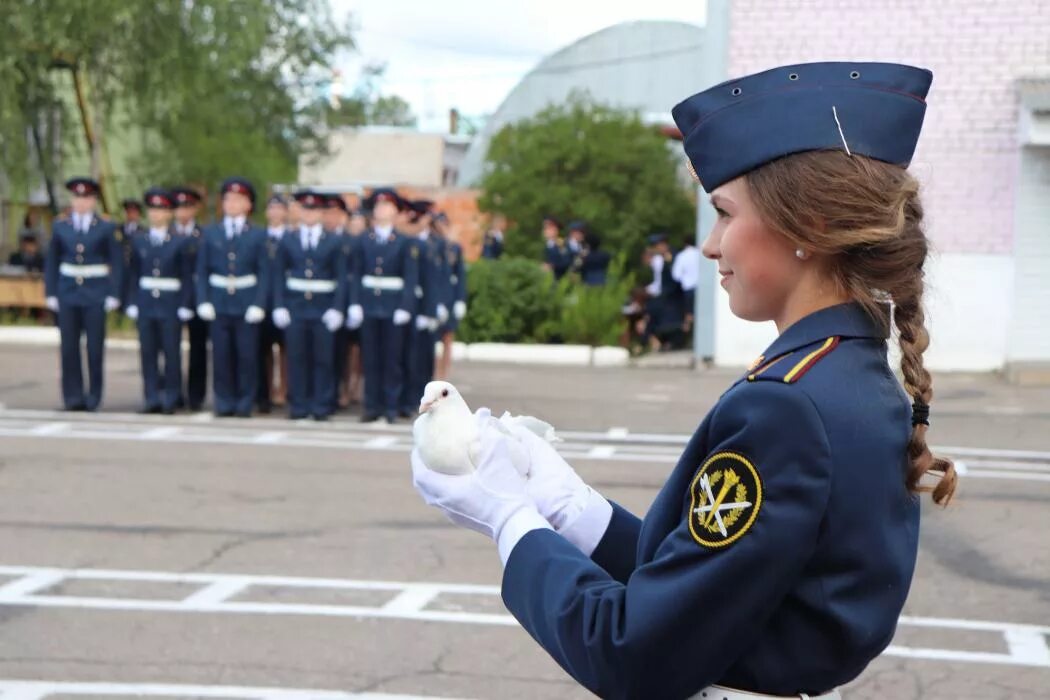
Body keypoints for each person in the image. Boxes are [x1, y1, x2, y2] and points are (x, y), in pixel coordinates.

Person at [411, 61, 958, 699]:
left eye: (724, 214)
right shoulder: (844, 373)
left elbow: (635, 654)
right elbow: (703, 587)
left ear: (804, 227)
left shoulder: (788, 407)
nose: (711, 244)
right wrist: (571, 509)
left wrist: (510, 521)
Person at [44, 177, 123, 411]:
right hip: (68, 291)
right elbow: (52, 261)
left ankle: (93, 396)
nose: (81, 202)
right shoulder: (61, 226)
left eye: (86, 198)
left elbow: (116, 262)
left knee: (94, 347)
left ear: (94, 201)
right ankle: (72, 396)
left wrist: (114, 292)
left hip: (95, 292)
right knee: (68, 346)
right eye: (77, 197)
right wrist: (51, 291)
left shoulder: (106, 227)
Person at [195, 176, 269, 418]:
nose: (232, 204)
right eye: (228, 199)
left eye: (238, 199)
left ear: (248, 205)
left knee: (246, 355)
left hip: (246, 300)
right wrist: (203, 300)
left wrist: (259, 303)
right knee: (222, 355)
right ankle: (223, 401)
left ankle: (244, 401)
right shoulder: (211, 232)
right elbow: (203, 270)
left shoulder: (258, 235)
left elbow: (264, 272)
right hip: (219, 300)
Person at [272, 190, 346, 421]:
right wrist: (279, 305)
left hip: (323, 308)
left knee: (323, 358)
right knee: (297, 357)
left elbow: (341, 277)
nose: (309, 213)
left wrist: (337, 308)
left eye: (314, 209)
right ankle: (299, 405)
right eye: (305, 209)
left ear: (321, 213)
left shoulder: (333, 240)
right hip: (296, 306)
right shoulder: (288, 239)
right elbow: (278, 275)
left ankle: (321, 405)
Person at [348, 187, 418, 423]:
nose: (382, 210)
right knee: (370, 358)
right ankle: (372, 406)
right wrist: (355, 303)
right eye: (379, 206)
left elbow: (410, 278)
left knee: (392, 359)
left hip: (392, 305)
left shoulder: (404, 242)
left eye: (388, 206)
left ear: (396, 212)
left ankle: (390, 406)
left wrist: (405, 307)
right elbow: (356, 274)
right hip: (369, 304)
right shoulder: (363, 240)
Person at [124, 188, 194, 414]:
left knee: (171, 352)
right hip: (146, 301)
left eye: (161, 210)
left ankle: (171, 397)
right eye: (152, 209)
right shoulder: (139, 240)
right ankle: (151, 396)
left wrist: (185, 304)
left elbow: (186, 276)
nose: (156, 214)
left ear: (170, 213)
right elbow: (133, 273)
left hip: (170, 302)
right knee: (148, 352)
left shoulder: (180, 241)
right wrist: (132, 301)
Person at [172, 186, 209, 411]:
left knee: (198, 348)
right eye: (178, 206)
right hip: (170, 297)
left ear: (195, 209)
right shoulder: (165, 232)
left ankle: (196, 395)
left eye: (187, 206)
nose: (182, 211)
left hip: (196, 298)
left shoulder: (203, 235)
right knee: (168, 348)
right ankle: (172, 391)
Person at [257, 194, 289, 414]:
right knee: (263, 351)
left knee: (287, 351)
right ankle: (265, 394)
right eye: (271, 208)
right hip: (261, 302)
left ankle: (285, 391)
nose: (275, 213)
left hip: (286, 302)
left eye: (279, 208)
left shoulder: (292, 237)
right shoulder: (259, 237)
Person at [432, 212, 466, 380]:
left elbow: (460, 275)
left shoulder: (455, 247)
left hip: (450, 295)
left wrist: (461, 299)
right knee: (434, 340)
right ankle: (435, 373)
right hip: (436, 294)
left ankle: (444, 375)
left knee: (447, 337)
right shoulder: (433, 245)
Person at [540, 215, 572, 279]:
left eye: (549, 228)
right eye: (545, 228)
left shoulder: (561, 244)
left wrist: (552, 266)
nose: (546, 231)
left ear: (556, 230)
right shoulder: (547, 245)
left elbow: (567, 262)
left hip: (560, 279)